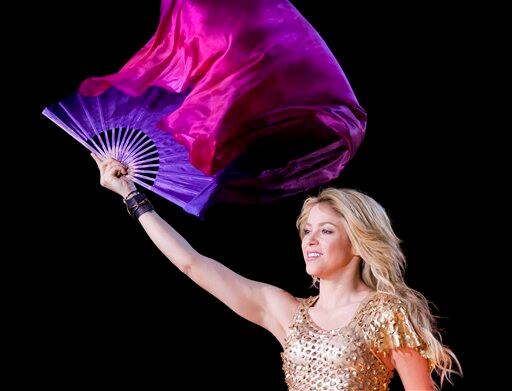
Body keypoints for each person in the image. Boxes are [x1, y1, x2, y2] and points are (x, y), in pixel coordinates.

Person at [91, 153, 462, 390]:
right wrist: (131, 197)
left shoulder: (387, 312)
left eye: (326, 230)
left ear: (358, 243)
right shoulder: (288, 313)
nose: (311, 240)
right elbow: (192, 263)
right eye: (307, 231)